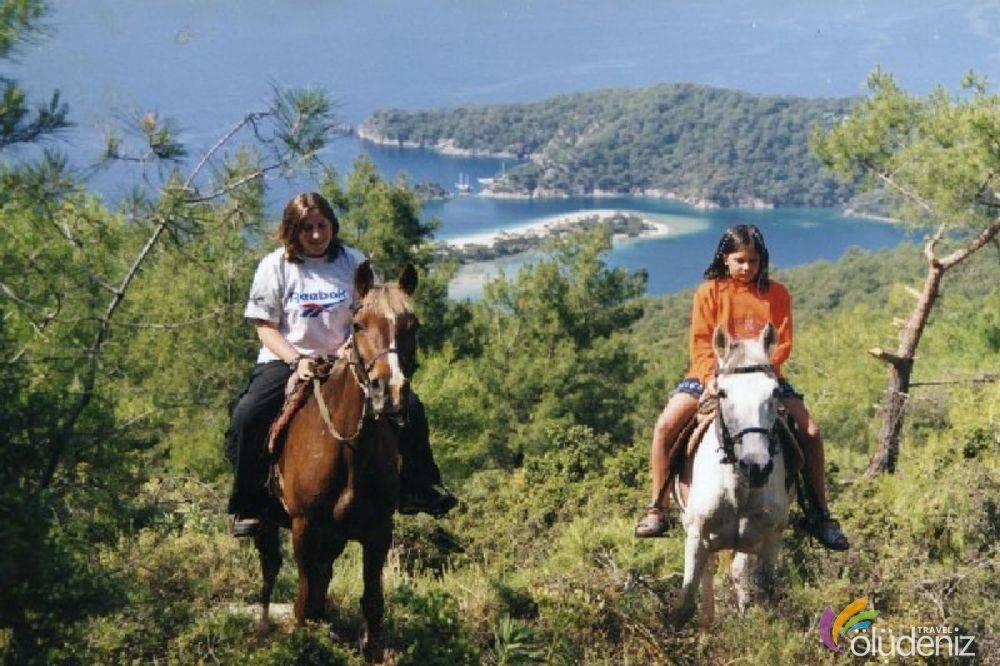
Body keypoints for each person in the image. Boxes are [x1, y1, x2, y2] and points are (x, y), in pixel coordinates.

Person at [225, 192, 456, 537]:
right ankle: (249, 503)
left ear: (332, 225)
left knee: (410, 406)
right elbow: (265, 327)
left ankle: (418, 486)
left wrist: (353, 349)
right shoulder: (275, 266)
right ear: (292, 229)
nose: (316, 234)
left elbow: (373, 314)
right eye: (306, 228)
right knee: (248, 415)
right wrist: (297, 361)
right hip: (287, 359)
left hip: (347, 359)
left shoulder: (353, 262)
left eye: (322, 225)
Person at [633, 224, 849, 550]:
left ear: (762, 261)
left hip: (762, 376)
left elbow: (782, 343)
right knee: (665, 427)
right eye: (740, 260)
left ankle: (820, 515)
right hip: (710, 377)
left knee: (811, 432)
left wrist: (761, 371)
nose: (747, 267)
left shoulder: (777, 294)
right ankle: (658, 508)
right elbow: (701, 343)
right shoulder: (709, 293)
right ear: (725, 258)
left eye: (753, 261)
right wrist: (711, 378)